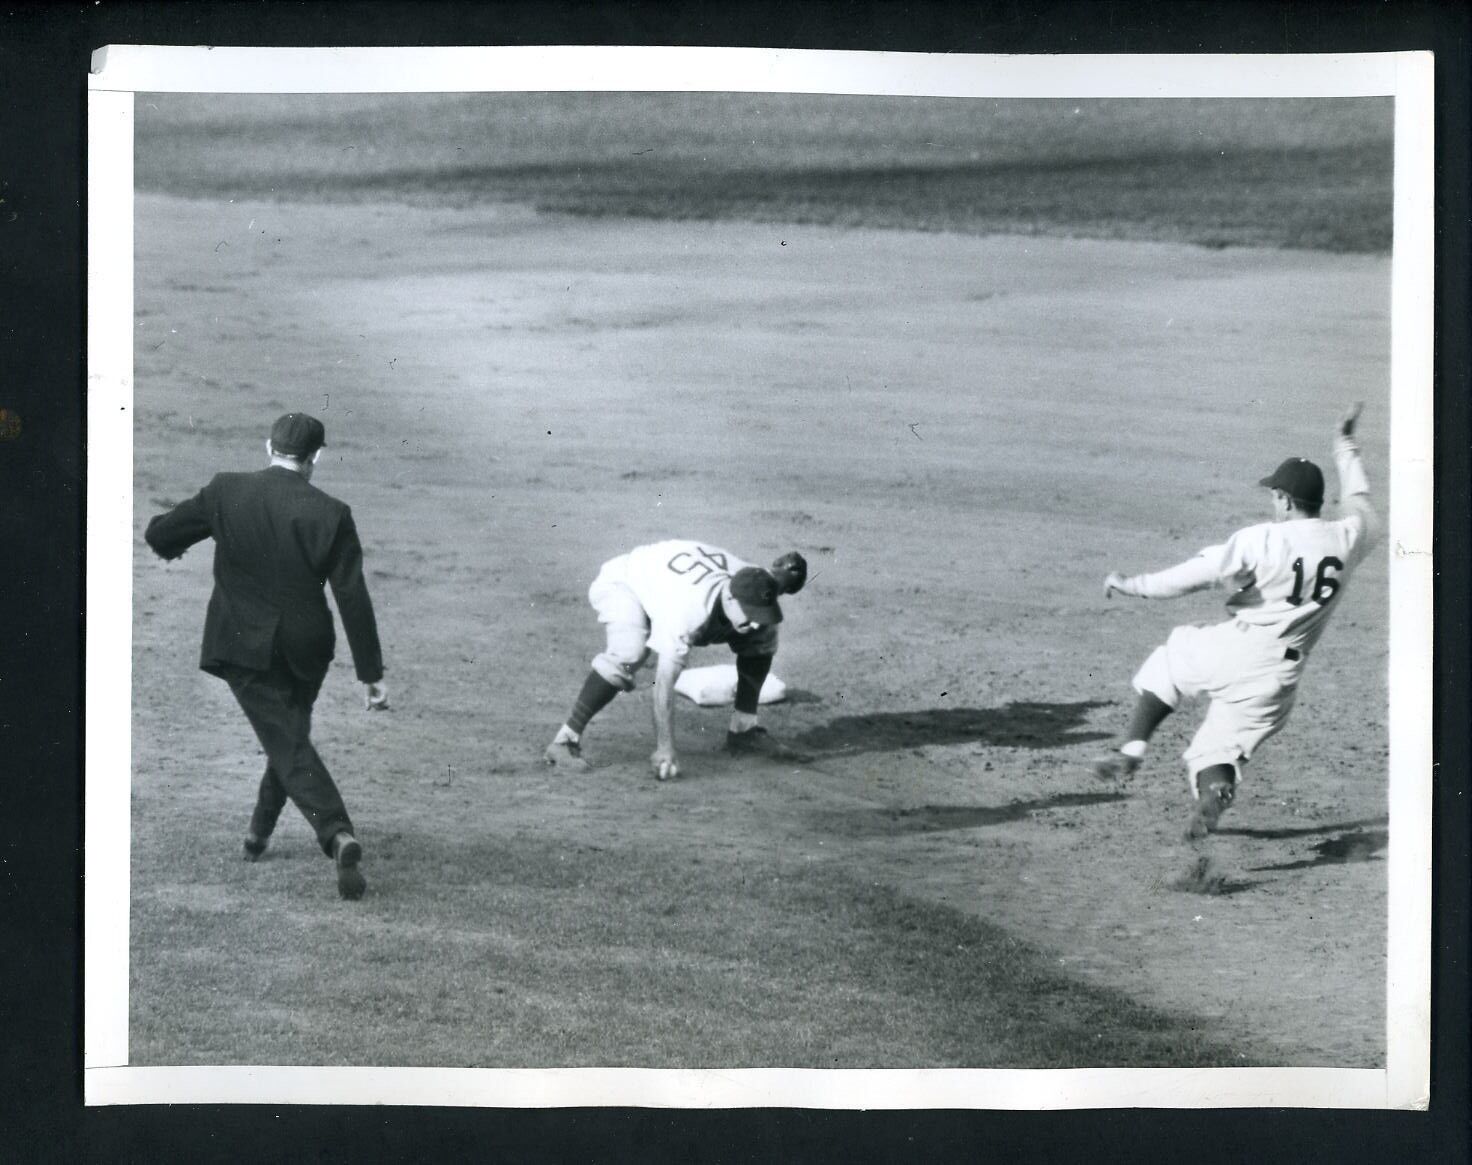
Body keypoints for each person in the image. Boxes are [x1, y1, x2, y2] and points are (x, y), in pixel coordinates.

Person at [1092, 403, 1377, 840]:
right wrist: (1345, 446)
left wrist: (1134, 584)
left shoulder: (1262, 539)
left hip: (1239, 647)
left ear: (1283, 500)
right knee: (1217, 751)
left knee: (1172, 657)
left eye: (1274, 496)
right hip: (1281, 677)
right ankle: (1216, 790)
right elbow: (1360, 502)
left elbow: (1192, 577)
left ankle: (1132, 748)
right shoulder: (1347, 538)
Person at [144, 412, 388, 900]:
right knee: (289, 734)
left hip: (243, 644)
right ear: (316, 458)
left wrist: (175, 537)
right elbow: (352, 596)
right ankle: (257, 835)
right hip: (307, 646)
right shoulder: (332, 512)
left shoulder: (226, 490)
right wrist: (370, 673)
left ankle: (337, 832)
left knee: (287, 740)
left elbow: (161, 535)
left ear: (267, 447)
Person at [544, 542, 810, 780]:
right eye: (749, 611)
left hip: (671, 577)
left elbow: (781, 575)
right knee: (629, 653)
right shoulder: (685, 612)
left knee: (763, 631)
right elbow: (662, 685)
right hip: (629, 582)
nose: (753, 617)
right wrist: (665, 747)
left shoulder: (756, 581)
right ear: (730, 597)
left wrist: (793, 573)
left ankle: (744, 730)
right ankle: (564, 741)